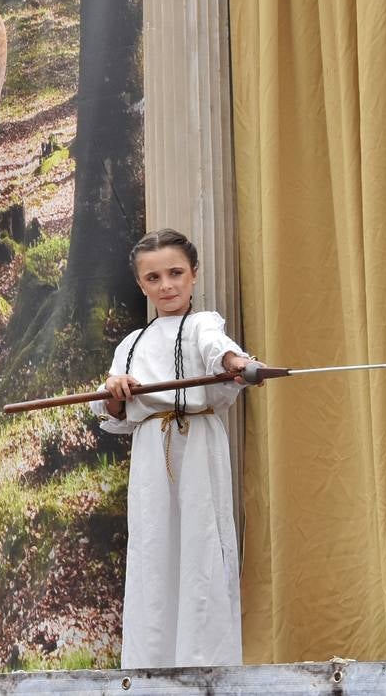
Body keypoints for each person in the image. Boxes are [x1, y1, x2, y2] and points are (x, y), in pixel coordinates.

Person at [93, 228, 257, 668]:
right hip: (151, 453)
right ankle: (151, 664)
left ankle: (205, 664)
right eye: (153, 278)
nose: (166, 286)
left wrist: (237, 365)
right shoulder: (131, 345)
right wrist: (116, 388)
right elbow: (114, 412)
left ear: (194, 275)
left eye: (175, 274)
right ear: (141, 284)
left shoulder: (205, 323)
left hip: (198, 447)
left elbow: (218, 350)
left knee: (201, 544)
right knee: (152, 549)